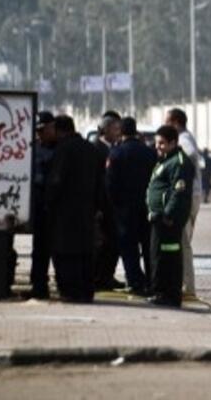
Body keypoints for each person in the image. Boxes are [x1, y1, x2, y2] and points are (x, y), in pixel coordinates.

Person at [46, 115, 104, 303]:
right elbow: (100, 183)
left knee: (65, 252)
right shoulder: (91, 149)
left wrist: (49, 203)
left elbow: (56, 181)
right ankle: (86, 292)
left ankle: (70, 292)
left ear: (59, 130)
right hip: (87, 210)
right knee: (85, 252)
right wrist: (99, 207)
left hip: (64, 212)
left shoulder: (62, 150)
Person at [106, 116, 157, 295]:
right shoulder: (150, 153)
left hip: (124, 209)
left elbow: (110, 184)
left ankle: (135, 281)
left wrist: (113, 206)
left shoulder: (117, 153)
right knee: (148, 245)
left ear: (121, 131)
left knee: (129, 247)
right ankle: (152, 280)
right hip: (146, 206)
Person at [146, 125, 195, 307]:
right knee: (158, 256)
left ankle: (169, 294)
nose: (157, 146)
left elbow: (179, 192)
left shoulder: (179, 162)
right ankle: (160, 292)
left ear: (173, 143)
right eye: (156, 143)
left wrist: (168, 215)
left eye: (162, 143)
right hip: (158, 218)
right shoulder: (166, 160)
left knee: (169, 258)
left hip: (168, 221)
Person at [164, 108, 204, 299]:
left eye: (167, 121)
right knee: (183, 241)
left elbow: (190, 154)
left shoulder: (183, 139)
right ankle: (184, 283)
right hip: (192, 194)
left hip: (188, 195)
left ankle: (188, 287)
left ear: (176, 123)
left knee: (183, 241)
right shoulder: (185, 137)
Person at [92, 112, 124, 291]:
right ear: (105, 129)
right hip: (102, 204)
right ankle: (98, 277)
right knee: (102, 243)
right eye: (115, 128)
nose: (118, 132)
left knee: (114, 243)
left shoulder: (116, 148)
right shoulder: (97, 149)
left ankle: (107, 276)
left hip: (114, 205)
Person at [29, 110, 57, 299]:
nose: (40, 134)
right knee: (40, 249)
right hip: (38, 205)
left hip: (56, 206)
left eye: (43, 129)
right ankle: (39, 285)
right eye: (38, 130)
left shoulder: (61, 149)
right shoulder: (34, 148)